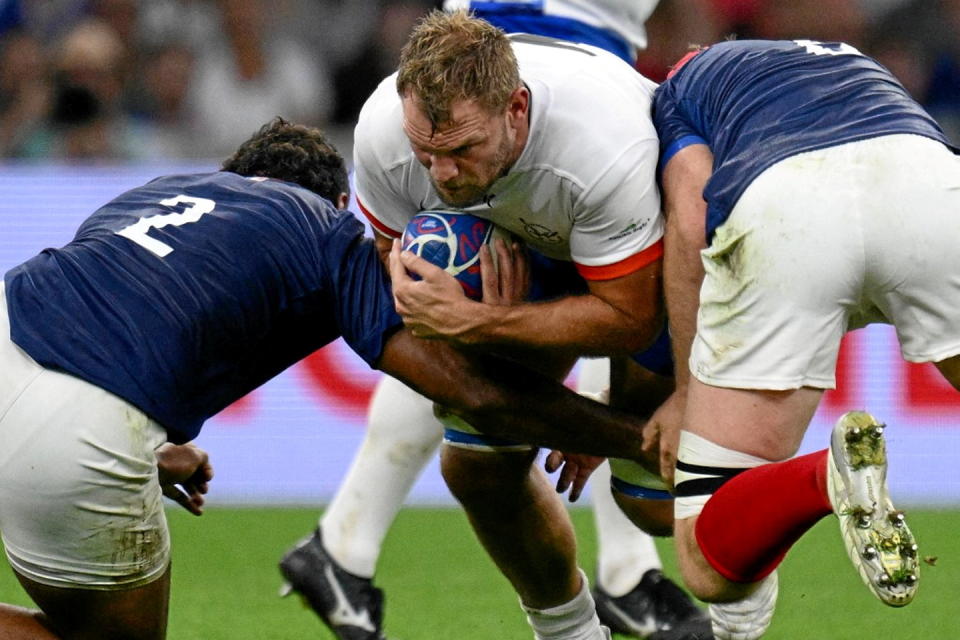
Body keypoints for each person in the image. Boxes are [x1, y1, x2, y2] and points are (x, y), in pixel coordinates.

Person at [0, 117, 669, 640]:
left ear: (234, 175)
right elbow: (474, 395)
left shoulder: (152, 194)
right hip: (74, 424)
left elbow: (96, 316)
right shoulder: (326, 232)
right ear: (344, 201)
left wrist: (149, 446)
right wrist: (634, 435)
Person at [278, 4, 707, 640]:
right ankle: (576, 627)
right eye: (427, 153)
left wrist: (483, 324)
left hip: (623, 229)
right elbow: (386, 292)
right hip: (512, 102)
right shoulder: (387, 135)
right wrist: (442, 313)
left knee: (654, 504)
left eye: (459, 151)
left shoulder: (604, 146)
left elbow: (629, 318)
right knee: (477, 469)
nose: (441, 174)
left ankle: (672, 577)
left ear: (514, 109)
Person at [649, 38, 959, 639]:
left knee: (705, 552)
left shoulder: (676, 92)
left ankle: (826, 476)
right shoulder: (849, 56)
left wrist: (685, 391)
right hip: (932, 188)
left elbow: (690, 220)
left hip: (792, 213)